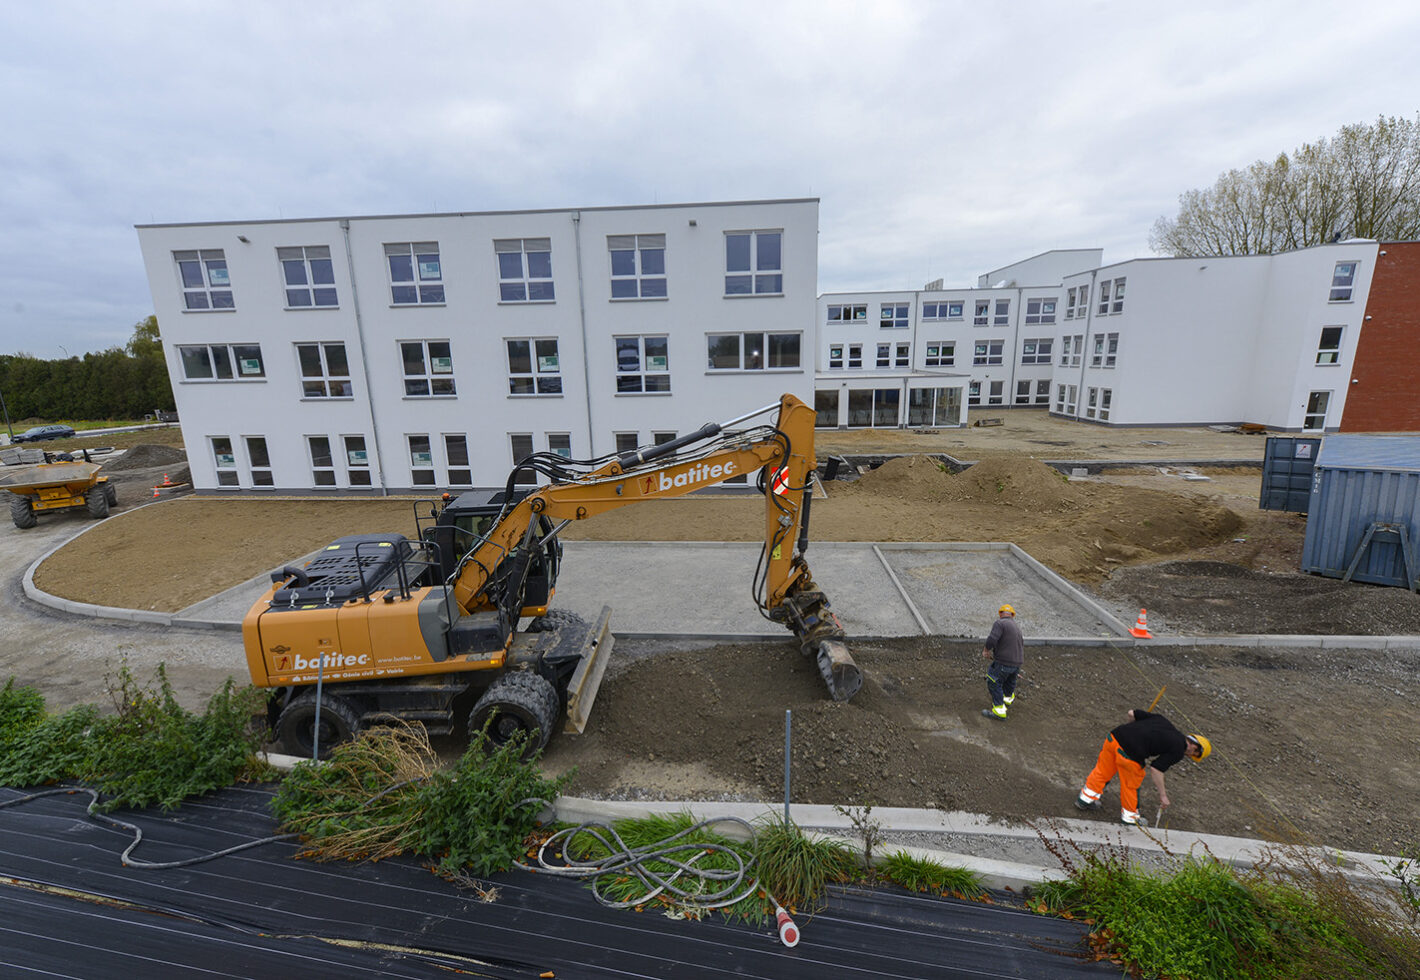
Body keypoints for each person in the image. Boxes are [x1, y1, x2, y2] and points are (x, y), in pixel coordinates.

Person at [1075, 709, 1212, 825]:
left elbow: (1131, 713)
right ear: (1195, 747)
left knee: (1102, 772)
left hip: (1114, 737)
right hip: (1129, 754)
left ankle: (1084, 800)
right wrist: (1163, 795)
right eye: (1195, 753)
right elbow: (1156, 769)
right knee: (1131, 784)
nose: (1191, 755)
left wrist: (1132, 731)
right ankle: (1130, 817)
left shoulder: (1163, 720)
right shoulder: (1178, 750)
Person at [980, 604, 1023, 721]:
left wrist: (986, 650)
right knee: (1009, 681)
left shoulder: (1000, 623)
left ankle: (999, 711)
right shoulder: (1016, 627)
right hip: (1017, 663)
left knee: (993, 681)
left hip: (1004, 662)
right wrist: (1015, 666)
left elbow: (992, 639)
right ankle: (1007, 699)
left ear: (1000, 614)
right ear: (1012, 615)